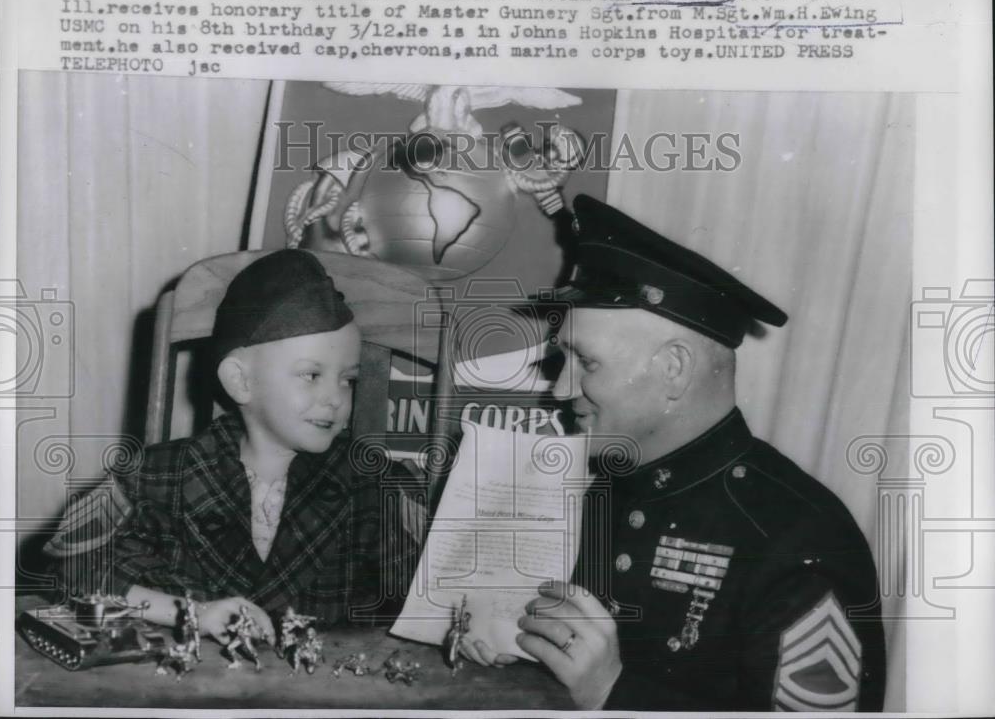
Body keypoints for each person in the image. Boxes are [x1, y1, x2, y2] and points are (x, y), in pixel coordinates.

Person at [461, 195, 886, 711]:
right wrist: (524, 650)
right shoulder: (609, 486)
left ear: (674, 370)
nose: (559, 389)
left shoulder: (796, 538)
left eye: (586, 362)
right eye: (562, 356)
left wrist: (612, 692)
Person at [55, 250, 417, 646]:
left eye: (347, 379)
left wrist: (470, 616)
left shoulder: (371, 482)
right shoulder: (153, 475)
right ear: (239, 381)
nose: (334, 397)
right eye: (312, 375)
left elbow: (424, 591)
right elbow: (71, 566)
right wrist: (192, 613)